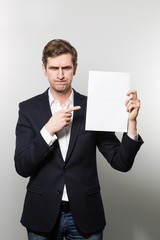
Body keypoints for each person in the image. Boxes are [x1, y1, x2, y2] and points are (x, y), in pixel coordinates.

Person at [14, 39, 143, 240]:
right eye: (54, 68)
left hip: (85, 214)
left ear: (75, 68)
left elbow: (121, 163)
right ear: (44, 68)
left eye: (66, 67)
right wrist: (48, 130)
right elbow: (22, 167)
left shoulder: (94, 106)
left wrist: (131, 123)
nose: (60, 74)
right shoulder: (28, 109)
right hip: (41, 213)